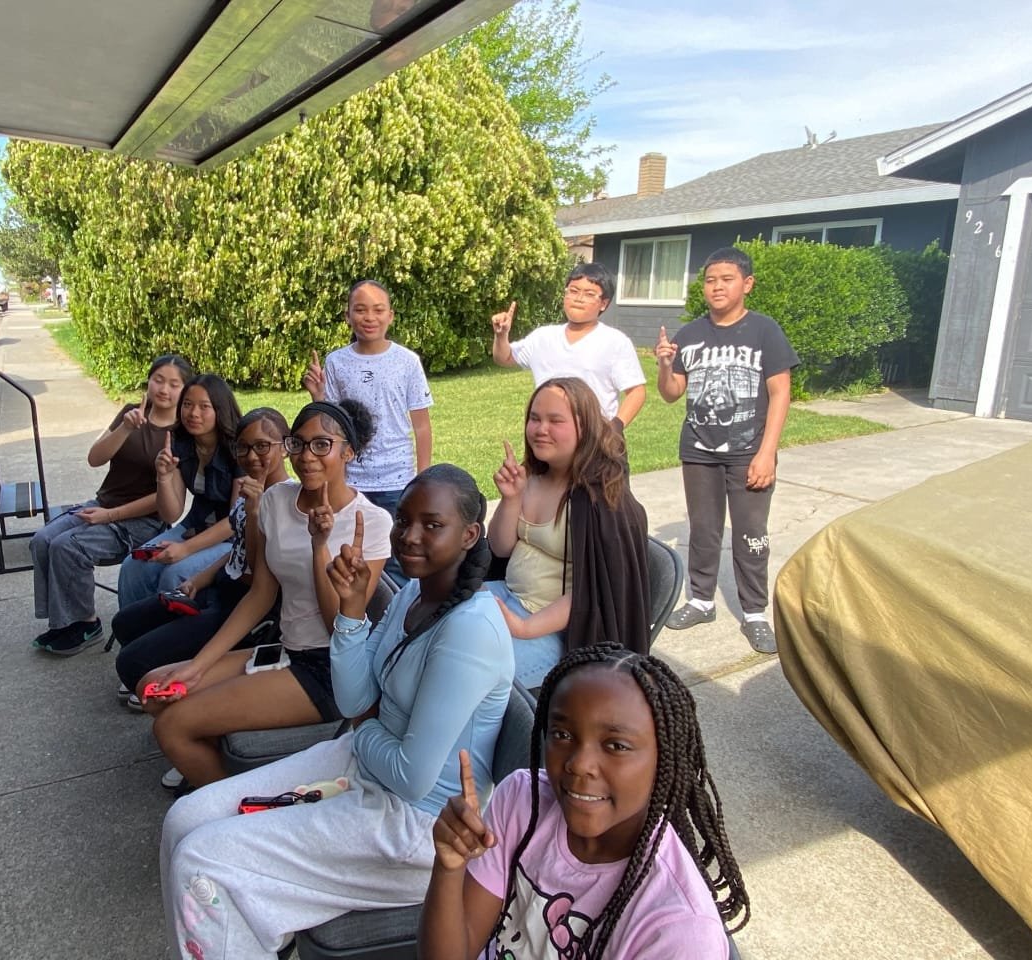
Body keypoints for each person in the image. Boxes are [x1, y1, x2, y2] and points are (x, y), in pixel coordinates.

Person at [159, 464, 513, 959]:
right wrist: (349, 613)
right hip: (363, 767)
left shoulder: (469, 631)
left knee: (202, 863)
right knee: (184, 819)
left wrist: (367, 726)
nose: (410, 537)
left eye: (432, 525)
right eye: (404, 520)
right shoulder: (415, 591)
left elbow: (410, 776)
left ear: (469, 534)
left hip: (417, 826)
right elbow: (353, 700)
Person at [421, 643, 751, 959]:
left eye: (616, 745)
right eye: (563, 735)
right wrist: (449, 868)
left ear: (665, 760)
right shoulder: (520, 802)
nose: (579, 764)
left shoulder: (680, 930)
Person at [144, 399, 393, 790]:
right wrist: (199, 666)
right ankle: (216, 771)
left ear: (349, 451)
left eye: (322, 445)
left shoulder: (372, 523)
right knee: (154, 689)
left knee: (172, 725)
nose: (307, 456)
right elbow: (260, 594)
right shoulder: (277, 500)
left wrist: (319, 546)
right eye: (299, 444)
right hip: (286, 649)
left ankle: (230, 818)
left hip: (330, 670)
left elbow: (338, 629)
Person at [655, 246, 799, 654]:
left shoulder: (764, 330)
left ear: (747, 284)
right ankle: (701, 600)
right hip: (699, 450)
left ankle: (755, 611)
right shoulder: (690, 334)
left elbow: (780, 391)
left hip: (748, 450)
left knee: (752, 533)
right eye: (710, 279)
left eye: (727, 279)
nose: (716, 286)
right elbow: (671, 394)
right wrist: (665, 365)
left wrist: (767, 451)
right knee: (703, 529)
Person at [111, 408, 291, 707]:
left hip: (240, 608)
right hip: (217, 588)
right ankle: (171, 661)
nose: (251, 455)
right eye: (243, 447)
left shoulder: (284, 502)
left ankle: (185, 685)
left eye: (263, 446)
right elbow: (237, 550)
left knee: (131, 663)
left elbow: (257, 573)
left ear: (285, 447)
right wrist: (199, 578)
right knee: (124, 623)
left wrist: (256, 512)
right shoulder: (250, 490)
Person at [486, 377, 651, 689]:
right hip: (509, 597)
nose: (540, 429)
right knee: (429, 614)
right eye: (534, 418)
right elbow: (501, 548)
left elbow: (594, 591)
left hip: (560, 634)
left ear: (584, 427)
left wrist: (522, 627)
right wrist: (511, 499)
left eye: (555, 420)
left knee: (471, 674)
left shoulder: (602, 501)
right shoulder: (534, 475)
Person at [31, 353, 193, 655]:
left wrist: (109, 516)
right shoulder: (131, 413)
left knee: (68, 547)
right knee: (43, 540)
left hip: (142, 523)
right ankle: (62, 620)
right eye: (158, 380)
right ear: (149, 381)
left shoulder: (183, 436)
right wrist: (126, 429)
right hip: (102, 505)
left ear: (184, 390)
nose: (164, 389)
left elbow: (168, 503)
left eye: (174, 384)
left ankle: (85, 623)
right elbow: (95, 458)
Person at [302, 280, 432, 579]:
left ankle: (398, 618)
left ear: (391, 316)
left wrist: (422, 478)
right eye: (360, 310)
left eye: (378, 310)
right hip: (349, 479)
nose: (369, 317)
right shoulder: (336, 362)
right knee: (348, 552)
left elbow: (422, 426)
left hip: (396, 479)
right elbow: (330, 423)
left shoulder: (407, 362)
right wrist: (318, 396)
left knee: (397, 556)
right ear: (348, 316)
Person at [116, 373, 242, 608]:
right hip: (193, 527)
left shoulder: (239, 450)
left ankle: (168, 642)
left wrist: (186, 549)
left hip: (231, 540)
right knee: (132, 566)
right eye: (187, 405)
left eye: (204, 407)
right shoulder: (180, 443)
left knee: (174, 574)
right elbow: (171, 514)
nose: (193, 413)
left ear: (220, 410)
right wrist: (163, 477)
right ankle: (134, 638)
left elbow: (235, 522)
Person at [491, 262, 646, 432]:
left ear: (604, 303)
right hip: (547, 436)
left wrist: (614, 427)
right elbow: (504, 358)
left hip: (595, 439)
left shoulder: (615, 342)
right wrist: (501, 335)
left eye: (589, 294)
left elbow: (636, 391)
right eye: (573, 291)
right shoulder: (543, 337)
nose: (579, 299)